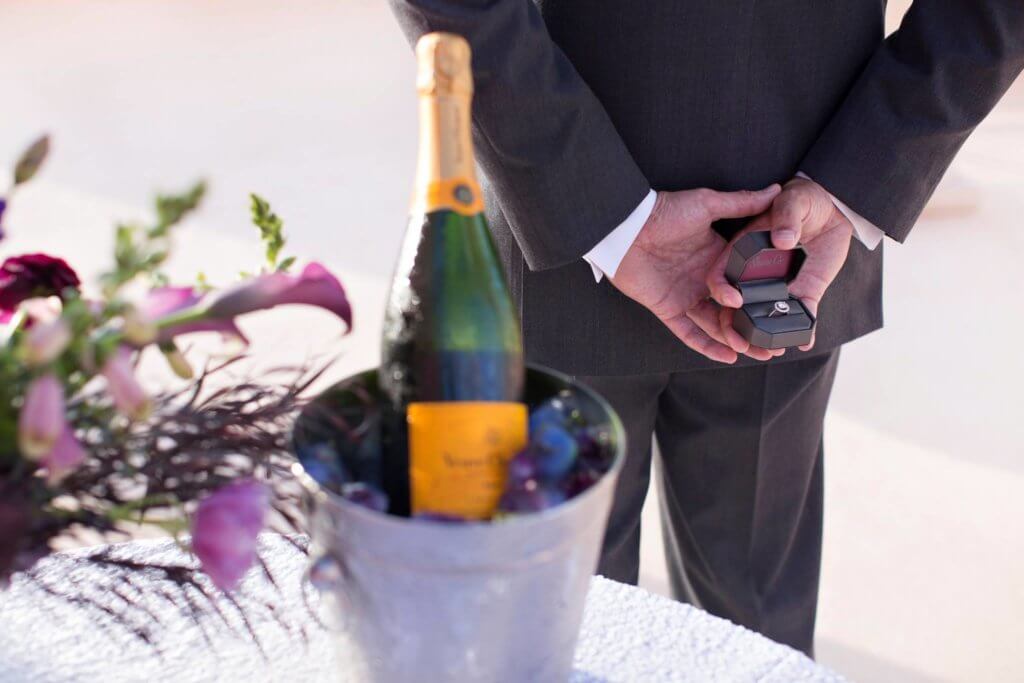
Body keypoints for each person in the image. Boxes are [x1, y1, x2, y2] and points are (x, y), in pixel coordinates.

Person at [387, 0, 1024, 655]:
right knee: (673, 631)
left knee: (564, 633)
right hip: (779, 246)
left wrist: (595, 203)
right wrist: (859, 174)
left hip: (704, 252)